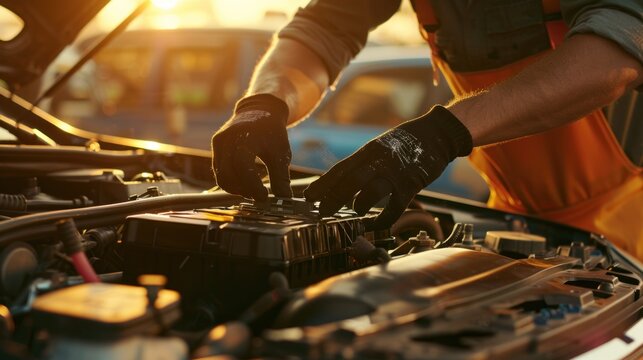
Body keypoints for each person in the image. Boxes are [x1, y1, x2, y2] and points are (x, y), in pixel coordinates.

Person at [211, 1, 642, 256]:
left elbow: (617, 51)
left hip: (631, 228)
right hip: (518, 224)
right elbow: (324, 27)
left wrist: (440, 134)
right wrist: (264, 103)